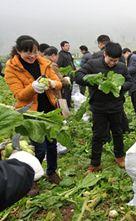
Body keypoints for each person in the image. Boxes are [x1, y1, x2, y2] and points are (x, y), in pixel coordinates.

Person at [4, 35, 63, 195]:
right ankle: (31, 180)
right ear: (18, 51)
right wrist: (33, 87)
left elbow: (58, 82)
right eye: (27, 52)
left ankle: (51, 172)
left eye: (35, 52)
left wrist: (51, 83)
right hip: (31, 113)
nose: (31, 56)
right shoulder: (11, 68)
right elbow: (19, 95)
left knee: (52, 144)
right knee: (38, 148)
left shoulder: (43, 62)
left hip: (49, 110)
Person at [75, 42, 133, 172]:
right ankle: (95, 163)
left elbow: (129, 81)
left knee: (118, 132)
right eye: (110, 60)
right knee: (98, 135)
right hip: (99, 107)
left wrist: (120, 87)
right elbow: (78, 76)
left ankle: (119, 156)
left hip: (116, 106)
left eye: (116, 61)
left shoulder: (122, 67)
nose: (112, 63)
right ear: (105, 54)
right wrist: (95, 82)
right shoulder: (93, 64)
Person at [44, 46, 71, 155]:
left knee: (48, 122)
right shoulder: (51, 65)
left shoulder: (41, 63)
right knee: (57, 119)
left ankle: (52, 146)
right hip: (53, 96)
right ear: (53, 55)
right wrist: (66, 80)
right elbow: (59, 81)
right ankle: (57, 145)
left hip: (44, 97)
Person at [57, 41, 75, 106]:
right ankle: (65, 105)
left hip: (71, 75)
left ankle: (69, 104)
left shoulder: (69, 54)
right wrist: (62, 76)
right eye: (66, 45)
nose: (68, 47)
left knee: (70, 90)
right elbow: (59, 66)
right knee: (65, 91)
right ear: (62, 47)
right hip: (65, 76)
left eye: (68, 45)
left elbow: (72, 63)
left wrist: (74, 70)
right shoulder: (61, 55)